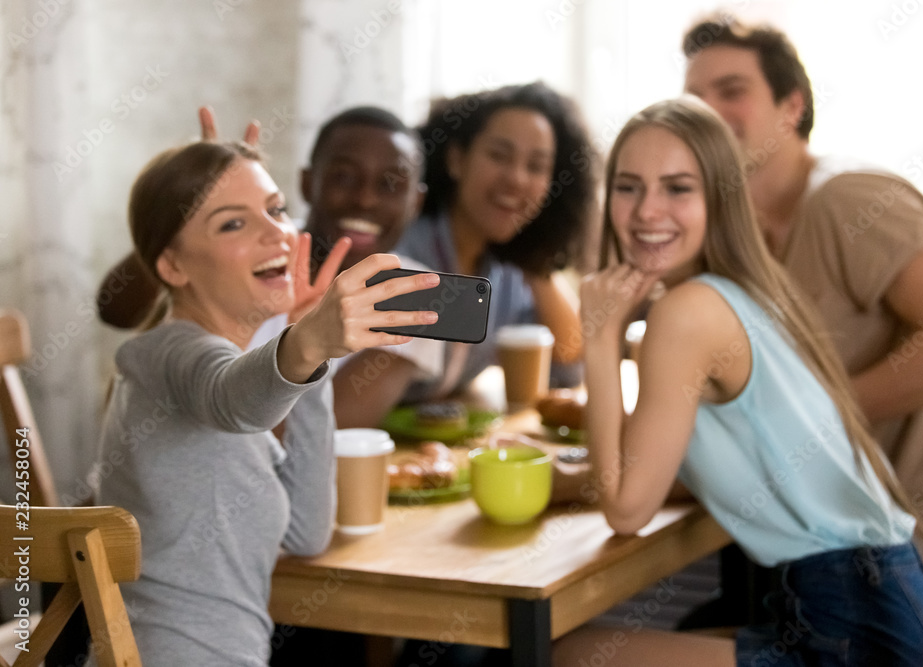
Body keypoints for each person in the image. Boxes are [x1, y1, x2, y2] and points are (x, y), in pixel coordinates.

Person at [552, 96, 923, 666]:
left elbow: (626, 510)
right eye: (629, 186)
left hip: (857, 628)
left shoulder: (686, 314)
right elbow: (656, 470)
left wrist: (599, 337)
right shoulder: (747, 290)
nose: (647, 211)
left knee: (576, 657)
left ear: (720, 198)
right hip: (894, 608)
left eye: (678, 188)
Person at [681, 13, 923, 611]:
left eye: (732, 91)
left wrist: (817, 418)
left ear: (791, 107)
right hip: (859, 557)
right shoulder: (746, 242)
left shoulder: (844, 198)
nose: (708, 110)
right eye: (694, 97)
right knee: (699, 607)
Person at [94, 139, 439, 665]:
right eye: (233, 223)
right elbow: (233, 401)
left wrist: (314, 357)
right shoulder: (169, 354)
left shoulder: (238, 368)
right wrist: (308, 344)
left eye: (276, 210)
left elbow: (307, 531)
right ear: (173, 266)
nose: (277, 231)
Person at [95, 105, 445, 430]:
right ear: (308, 183)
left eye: (391, 184)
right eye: (343, 177)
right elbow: (114, 308)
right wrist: (182, 214)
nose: (365, 199)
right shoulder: (267, 240)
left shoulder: (412, 293)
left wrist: (306, 350)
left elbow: (306, 438)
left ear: (416, 201)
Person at [378, 80, 599, 403]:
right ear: (456, 160)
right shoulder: (403, 249)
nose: (517, 179)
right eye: (499, 155)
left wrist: (537, 261)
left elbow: (569, 362)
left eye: (536, 166)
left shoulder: (505, 273)